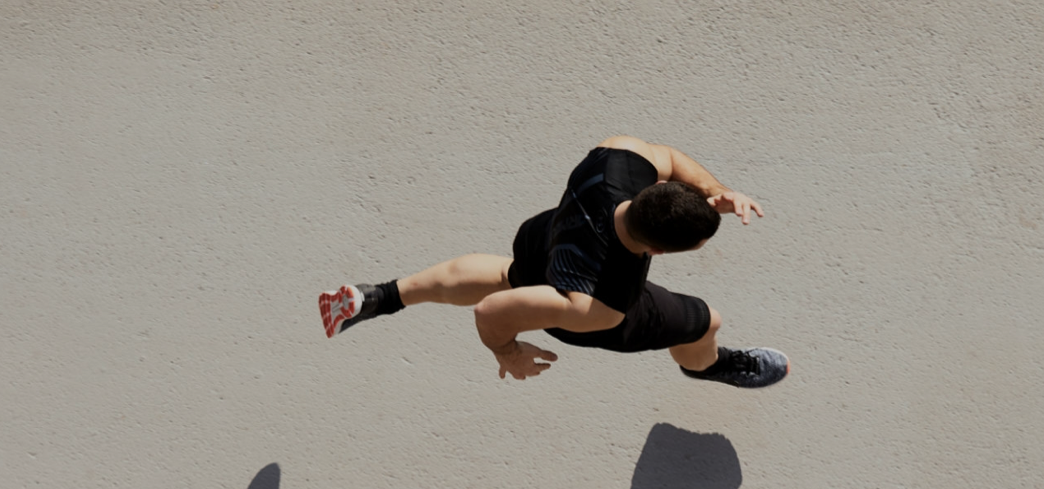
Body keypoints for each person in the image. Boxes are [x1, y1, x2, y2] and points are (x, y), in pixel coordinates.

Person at [319, 136, 788, 388]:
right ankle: (705, 366)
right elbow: (490, 314)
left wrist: (712, 194)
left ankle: (377, 297)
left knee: (509, 276)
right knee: (706, 320)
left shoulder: (619, 159)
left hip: (547, 241)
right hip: (579, 300)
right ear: (657, 252)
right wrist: (509, 353)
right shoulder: (602, 303)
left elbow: (665, 155)